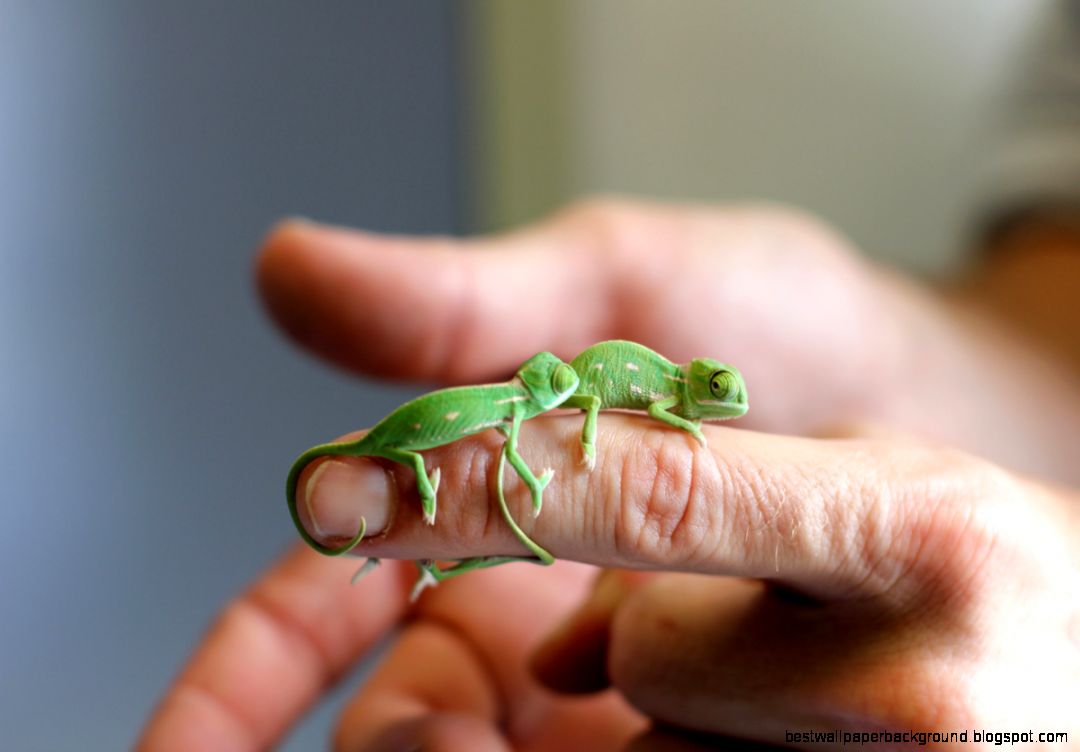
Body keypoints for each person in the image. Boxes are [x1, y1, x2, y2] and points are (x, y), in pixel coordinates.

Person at [138, 10, 1080, 751]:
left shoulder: (679, 400)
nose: (722, 403)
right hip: (586, 393)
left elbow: (668, 438)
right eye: (715, 390)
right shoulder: (655, 389)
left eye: (716, 395)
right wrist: (896, 364)